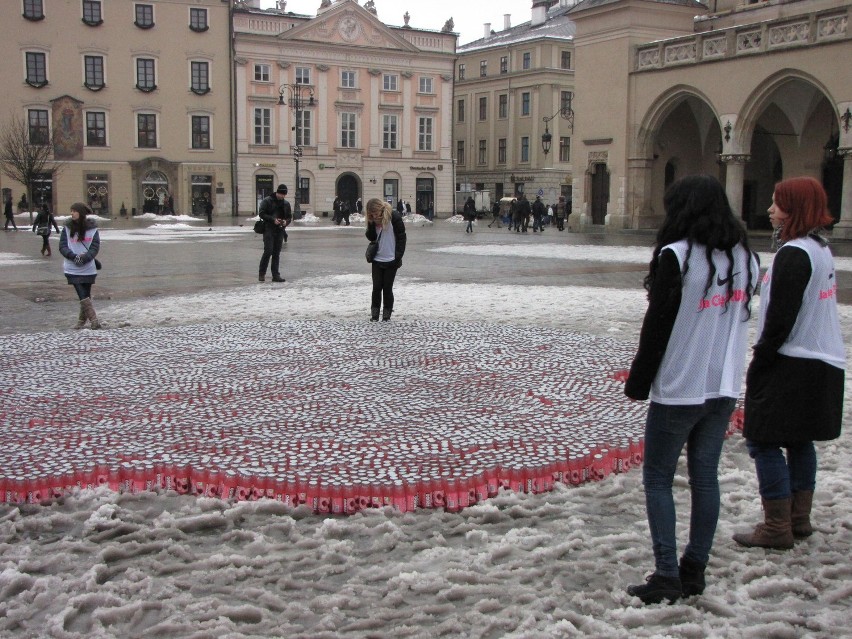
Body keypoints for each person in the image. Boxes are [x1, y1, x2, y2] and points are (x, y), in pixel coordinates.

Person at [624, 175, 759, 604]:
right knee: (705, 478)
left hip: (682, 382)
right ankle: (693, 568)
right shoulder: (744, 256)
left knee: (659, 478)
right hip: (722, 383)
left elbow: (657, 326)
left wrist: (639, 382)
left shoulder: (678, 256)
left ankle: (666, 573)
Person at [732, 177, 845, 551]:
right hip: (821, 359)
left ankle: (777, 525)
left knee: (762, 441)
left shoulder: (795, 253)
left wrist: (762, 356)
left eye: (778, 203)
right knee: (799, 441)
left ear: (794, 208)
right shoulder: (820, 249)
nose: (770, 209)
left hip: (792, 361)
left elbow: (782, 316)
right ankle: (799, 518)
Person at [58, 202, 102, 330]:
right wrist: (73, 256)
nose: (72, 213)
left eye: (74, 211)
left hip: (88, 267)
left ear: (81, 213)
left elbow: (95, 247)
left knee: (85, 295)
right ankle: (94, 320)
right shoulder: (67, 228)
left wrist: (85, 257)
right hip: (71, 267)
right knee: (81, 293)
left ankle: (81, 322)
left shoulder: (93, 229)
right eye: (71, 211)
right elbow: (62, 246)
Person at [365, 197, 406, 321]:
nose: (374, 215)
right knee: (376, 287)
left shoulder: (394, 217)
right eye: (371, 214)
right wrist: (371, 224)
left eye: (375, 213)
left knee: (387, 288)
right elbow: (371, 237)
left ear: (380, 208)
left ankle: (387, 315)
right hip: (377, 258)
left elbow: (402, 238)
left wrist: (398, 256)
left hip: (391, 259)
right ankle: (374, 315)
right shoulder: (373, 220)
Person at [257, 183, 291, 283]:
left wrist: (286, 222)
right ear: (277, 192)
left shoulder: (286, 204)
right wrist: (273, 219)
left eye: (284, 195)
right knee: (268, 251)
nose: (283, 196)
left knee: (276, 253)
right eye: (281, 194)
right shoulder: (267, 201)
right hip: (269, 229)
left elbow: (289, 216)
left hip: (280, 230)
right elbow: (262, 213)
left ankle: (275, 275)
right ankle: (262, 273)